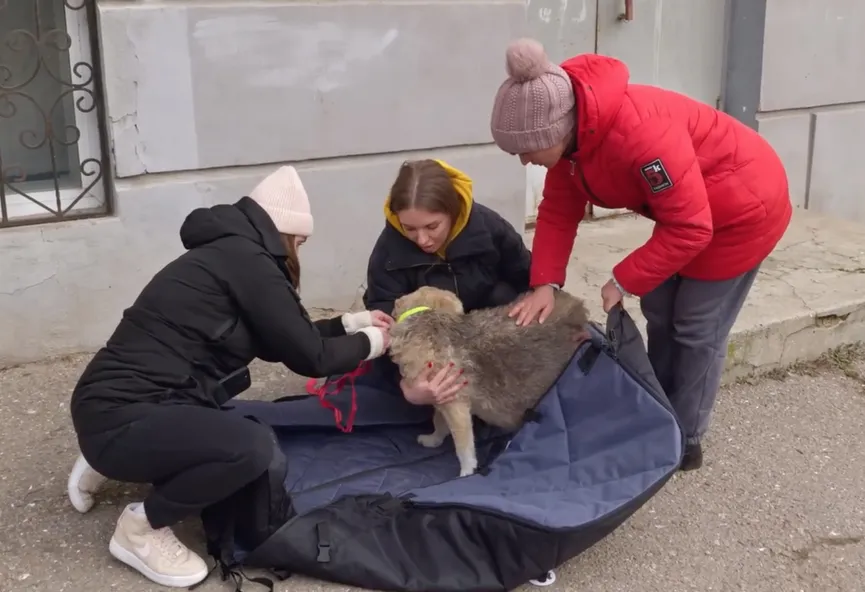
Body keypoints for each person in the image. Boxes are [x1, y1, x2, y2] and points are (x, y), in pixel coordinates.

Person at [65, 166, 392, 588]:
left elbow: (282, 339)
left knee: (224, 400)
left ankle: (110, 454)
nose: (300, 252)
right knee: (248, 449)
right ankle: (142, 527)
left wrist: (354, 324)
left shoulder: (230, 253)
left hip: (112, 404)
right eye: (301, 241)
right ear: (286, 233)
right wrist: (379, 342)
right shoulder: (250, 263)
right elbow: (311, 357)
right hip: (119, 415)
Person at [489, 39, 793, 471]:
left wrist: (623, 279)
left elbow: (691, 227)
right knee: (660, 309)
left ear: (554, 133)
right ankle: (659, 408)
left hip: (745, 211)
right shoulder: (571, 141)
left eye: (526, 151)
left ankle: (684, 437)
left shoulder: (640, 135)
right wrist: (545, 284)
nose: (523, 162)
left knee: (695, 327)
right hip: (692, 211)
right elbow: (558, 210)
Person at [361, 158, 532, 405]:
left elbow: (527, 278)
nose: (422, 240)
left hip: (485, 334)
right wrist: (409, 386)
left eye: (432, 226)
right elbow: (384, 316)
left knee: (508, 297)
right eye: (409, 228)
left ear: (452, 211)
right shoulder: (388, 249)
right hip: (433, 350)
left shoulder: (490, 227)